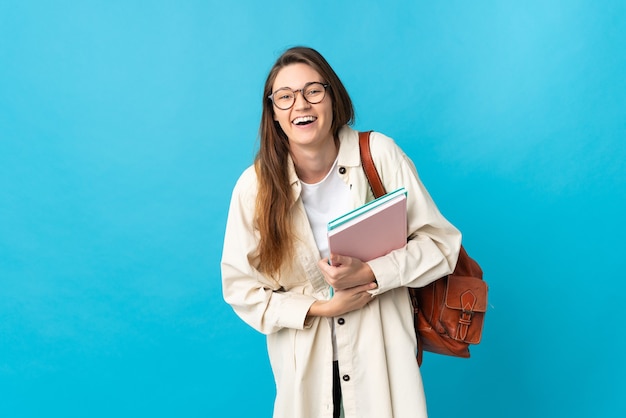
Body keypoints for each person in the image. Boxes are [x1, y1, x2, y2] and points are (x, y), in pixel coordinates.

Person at [221, 46, 461, 418]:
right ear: (274, 113)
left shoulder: (378, 155)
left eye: (313, 91)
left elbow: (441, 245)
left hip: (381, 360)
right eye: (284, 97)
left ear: (333, 96)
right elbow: (241, 289)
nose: (300, 105)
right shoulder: (254, 188)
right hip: (307, 372)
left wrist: (371, 273)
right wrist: (321, 307)